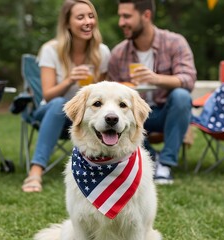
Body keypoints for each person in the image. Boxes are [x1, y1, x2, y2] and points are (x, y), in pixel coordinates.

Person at [22, 0, 111, 192]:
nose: (88, 21)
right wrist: (69, 80)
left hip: (83, 118)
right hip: (50, 114)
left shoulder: (102, 52)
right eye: (80, 17)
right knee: (58, 104)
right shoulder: (51, 50)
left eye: (91, 16)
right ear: (67, 23)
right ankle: (35, 172)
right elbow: (47, 94)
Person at [108, 0, 196, 184]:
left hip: (165, 112)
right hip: (135, 115)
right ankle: (150, 157)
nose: (121, 22)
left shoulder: (174, 42)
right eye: (120, 16)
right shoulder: (118, 53)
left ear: (146, 16)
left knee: (182, 96)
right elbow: (111, 93)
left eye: (126, 16)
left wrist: (155, 78)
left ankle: (165, 163)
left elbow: (188, 79)